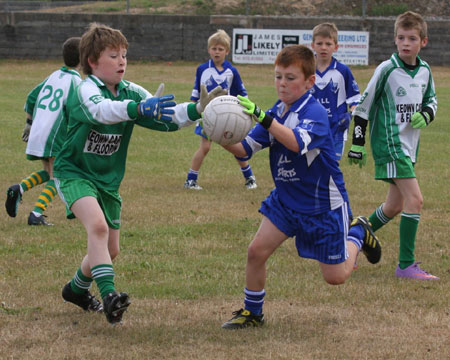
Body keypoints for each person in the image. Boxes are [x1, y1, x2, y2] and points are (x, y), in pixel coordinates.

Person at [55, 22, 225, 324]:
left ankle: (76, 290)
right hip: (74, 172)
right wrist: (137, 109)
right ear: (92, 62)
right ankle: (109, 297)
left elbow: (167, 117)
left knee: (110, 249)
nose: (122, 61)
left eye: (124, 55)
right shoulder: (84, 90)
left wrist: (198, 109)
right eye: (113, 55)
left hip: (107, 180)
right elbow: (102, 111)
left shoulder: (130, 90)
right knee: (97, 227)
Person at [220, 45, 381, 329]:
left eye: (290, 78)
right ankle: (252, 313)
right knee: (256, 251)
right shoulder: (276, 111)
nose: (282, 84)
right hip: (286, 200)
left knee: (336, 276)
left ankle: (357, 232)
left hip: (322, 205)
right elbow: (244, 149)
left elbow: (295, 141)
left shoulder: (316, 113)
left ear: (309, 82)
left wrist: (262, 117)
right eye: (278, 77)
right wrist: (216, 129)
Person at [348, 11, 438, 280]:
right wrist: (358, 144)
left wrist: (427, 114)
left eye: (412, 38)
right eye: (401, 38)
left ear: (423, 41)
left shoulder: (425, 70)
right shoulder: (386, 69)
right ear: (395, 40)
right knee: (416, 199)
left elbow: (431, 100)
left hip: (410, 147)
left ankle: (355, 235)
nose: (405, 43)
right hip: (390, 144)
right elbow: (363, 108)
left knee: (394, 206)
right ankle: (406, 265)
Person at [5, 37, 82, 226]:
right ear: (84, 58)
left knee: (49, 173)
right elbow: (77, 110)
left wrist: (29, 123)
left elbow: (31, 97)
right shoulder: (76, 82)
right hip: (54, 136)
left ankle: (19, 189)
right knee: (60, 176)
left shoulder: (54, 75)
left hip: (39, 131)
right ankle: (37, 213)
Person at [184, 29, 257, 190]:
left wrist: (247, 109)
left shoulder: (232, 71)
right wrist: (193, 110)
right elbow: (196, 92)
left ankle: (249, 178)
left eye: (220, 49)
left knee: (236, 147)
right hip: (206, 116)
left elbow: (241, 93)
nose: (217, 52)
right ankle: (190, 180)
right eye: (214, 48)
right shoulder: (202, 69)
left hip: (227, 118)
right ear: (209, 49)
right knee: (205, 147)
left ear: (227, 51)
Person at [310, 22, 361, 161]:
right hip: (310, 128)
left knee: (332, 169)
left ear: (336, 47)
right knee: (311, 169)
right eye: (319, 43)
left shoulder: (343, 71)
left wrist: (351, 114)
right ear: (312, 45)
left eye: (328, 44)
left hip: (336, 130)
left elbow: (355, 99)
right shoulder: (306, 70)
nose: (323, 48)